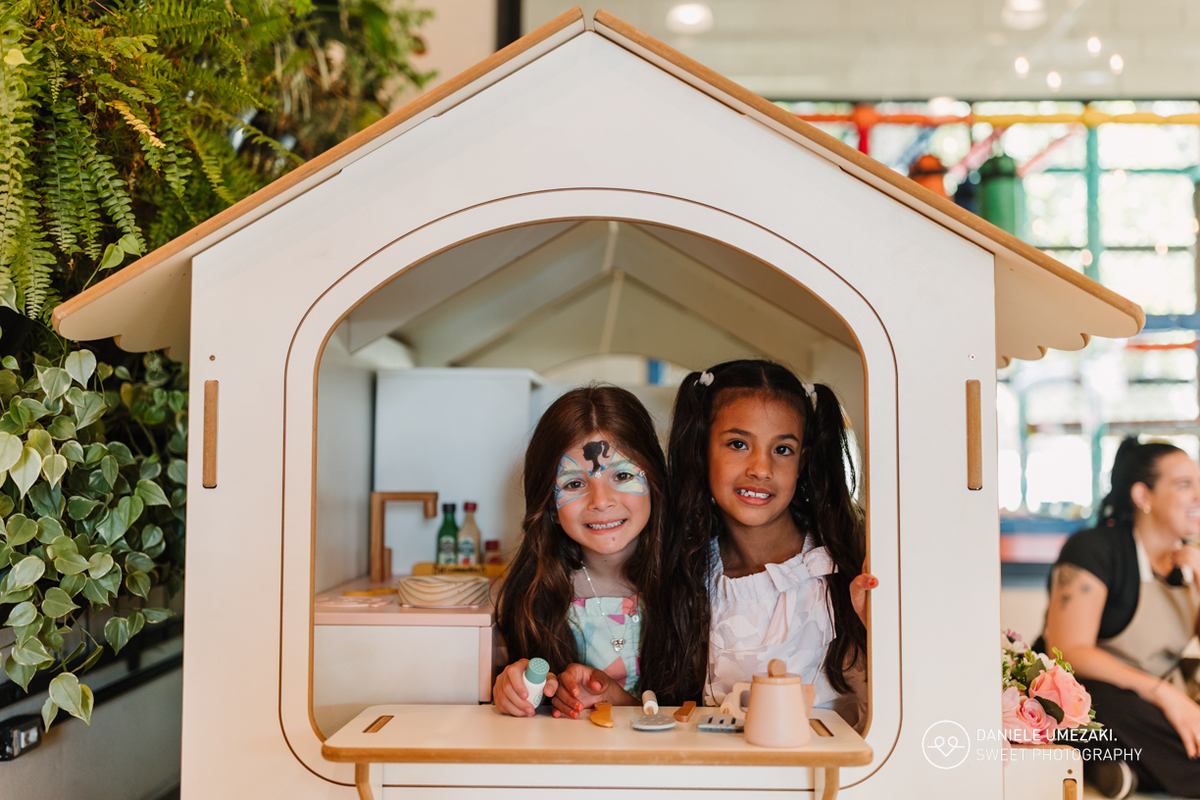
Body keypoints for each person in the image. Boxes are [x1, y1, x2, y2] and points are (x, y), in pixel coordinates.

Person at [665, 359, 875, 728]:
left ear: (802, 461)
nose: (761, 468)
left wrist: (878, 628)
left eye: (782, 449)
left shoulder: (844, 565)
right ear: (701, 451)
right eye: (738, 444)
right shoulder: (686, 572)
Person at [493, 385, 692, 717]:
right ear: (549, 504)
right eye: (574, 483)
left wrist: (616, 699)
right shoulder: (532, 596)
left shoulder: (691, 583)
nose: (601, 501)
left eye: (623, 475)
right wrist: (511, 689)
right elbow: (530, 712)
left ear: (654, 480)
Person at [1042, 438, 1200, 799]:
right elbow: (1067, 651)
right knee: (1095, 702)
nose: (1198, 496)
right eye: (1184, 485)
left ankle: (1118, 766)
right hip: (1105, 695)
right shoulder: (1094, 549)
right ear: (1143, 495)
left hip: (1157, 695)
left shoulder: (1191, 559)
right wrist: (1163, 695)